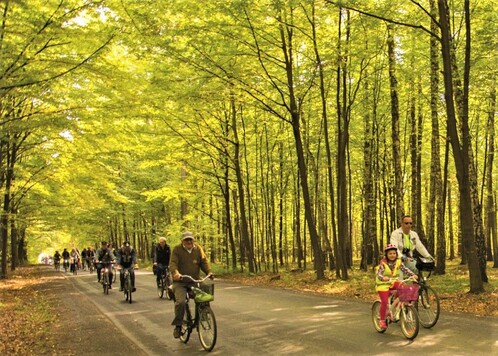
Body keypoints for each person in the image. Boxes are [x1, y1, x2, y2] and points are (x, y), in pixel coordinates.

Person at [169, 231, 213, 339]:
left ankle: (204, 315)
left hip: (194, 280)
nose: (189, 241)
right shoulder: (177, 250)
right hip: (180, 282)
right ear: (182, 241)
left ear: (193, 240)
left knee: (206, 293)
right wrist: (176, 273)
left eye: (190, 239)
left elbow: (204, 262)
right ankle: (178, 326)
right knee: (181, 302)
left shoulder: (198, 249)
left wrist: (209, 272)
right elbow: (173, 263)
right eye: (186, 239)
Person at [375, 244, 418, 330]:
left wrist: (413, 274)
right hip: (382, 284)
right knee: (384, 302)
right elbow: (379, 274)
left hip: (393, 282)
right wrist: (383, 278)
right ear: (386, 255)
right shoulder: (383, 264)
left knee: (404, 288)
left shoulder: (398, 262)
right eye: (390, 253)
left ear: (396, 254)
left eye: (394, 253)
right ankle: (382, 320)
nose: (392, 255)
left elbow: (405, 269)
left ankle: (398, 306)